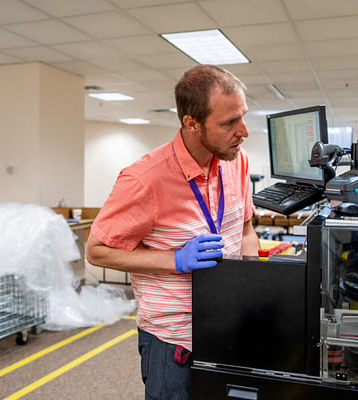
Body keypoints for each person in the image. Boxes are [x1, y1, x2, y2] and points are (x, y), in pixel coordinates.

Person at [86, 64, 260, 400]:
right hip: (175, 343)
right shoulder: (144, 179)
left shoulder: (237, 162)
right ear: (191, 123)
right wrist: (175, 259)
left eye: (243, 116)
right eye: (229, 122)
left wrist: (251, 278)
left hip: (231, 329)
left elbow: (246, 228)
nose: (244, 131)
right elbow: (97, 251)